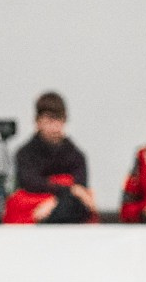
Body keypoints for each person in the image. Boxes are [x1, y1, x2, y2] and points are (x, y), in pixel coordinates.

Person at [6, 93, 95, 224]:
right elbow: (30, 182)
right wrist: (65, 191)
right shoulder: (25, 153)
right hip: (35, 207)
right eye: (49, 121)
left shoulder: (76, 155)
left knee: (78, 204)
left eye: (58, 120)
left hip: (64, 207)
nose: (54, 127)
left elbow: (81, 185)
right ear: (37, 122)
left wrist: (55, 203)